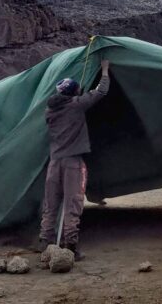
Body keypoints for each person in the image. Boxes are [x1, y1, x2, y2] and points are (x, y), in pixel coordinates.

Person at [38, 60, 111, 258]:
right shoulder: (76, 106)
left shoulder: (49, 111)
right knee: (73, 202)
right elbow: (101, 91)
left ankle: (46, 242)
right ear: (72, 93)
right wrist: (104, 69)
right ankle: (70, 246)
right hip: (72, 163)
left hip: (54, 162)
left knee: (51, 203)